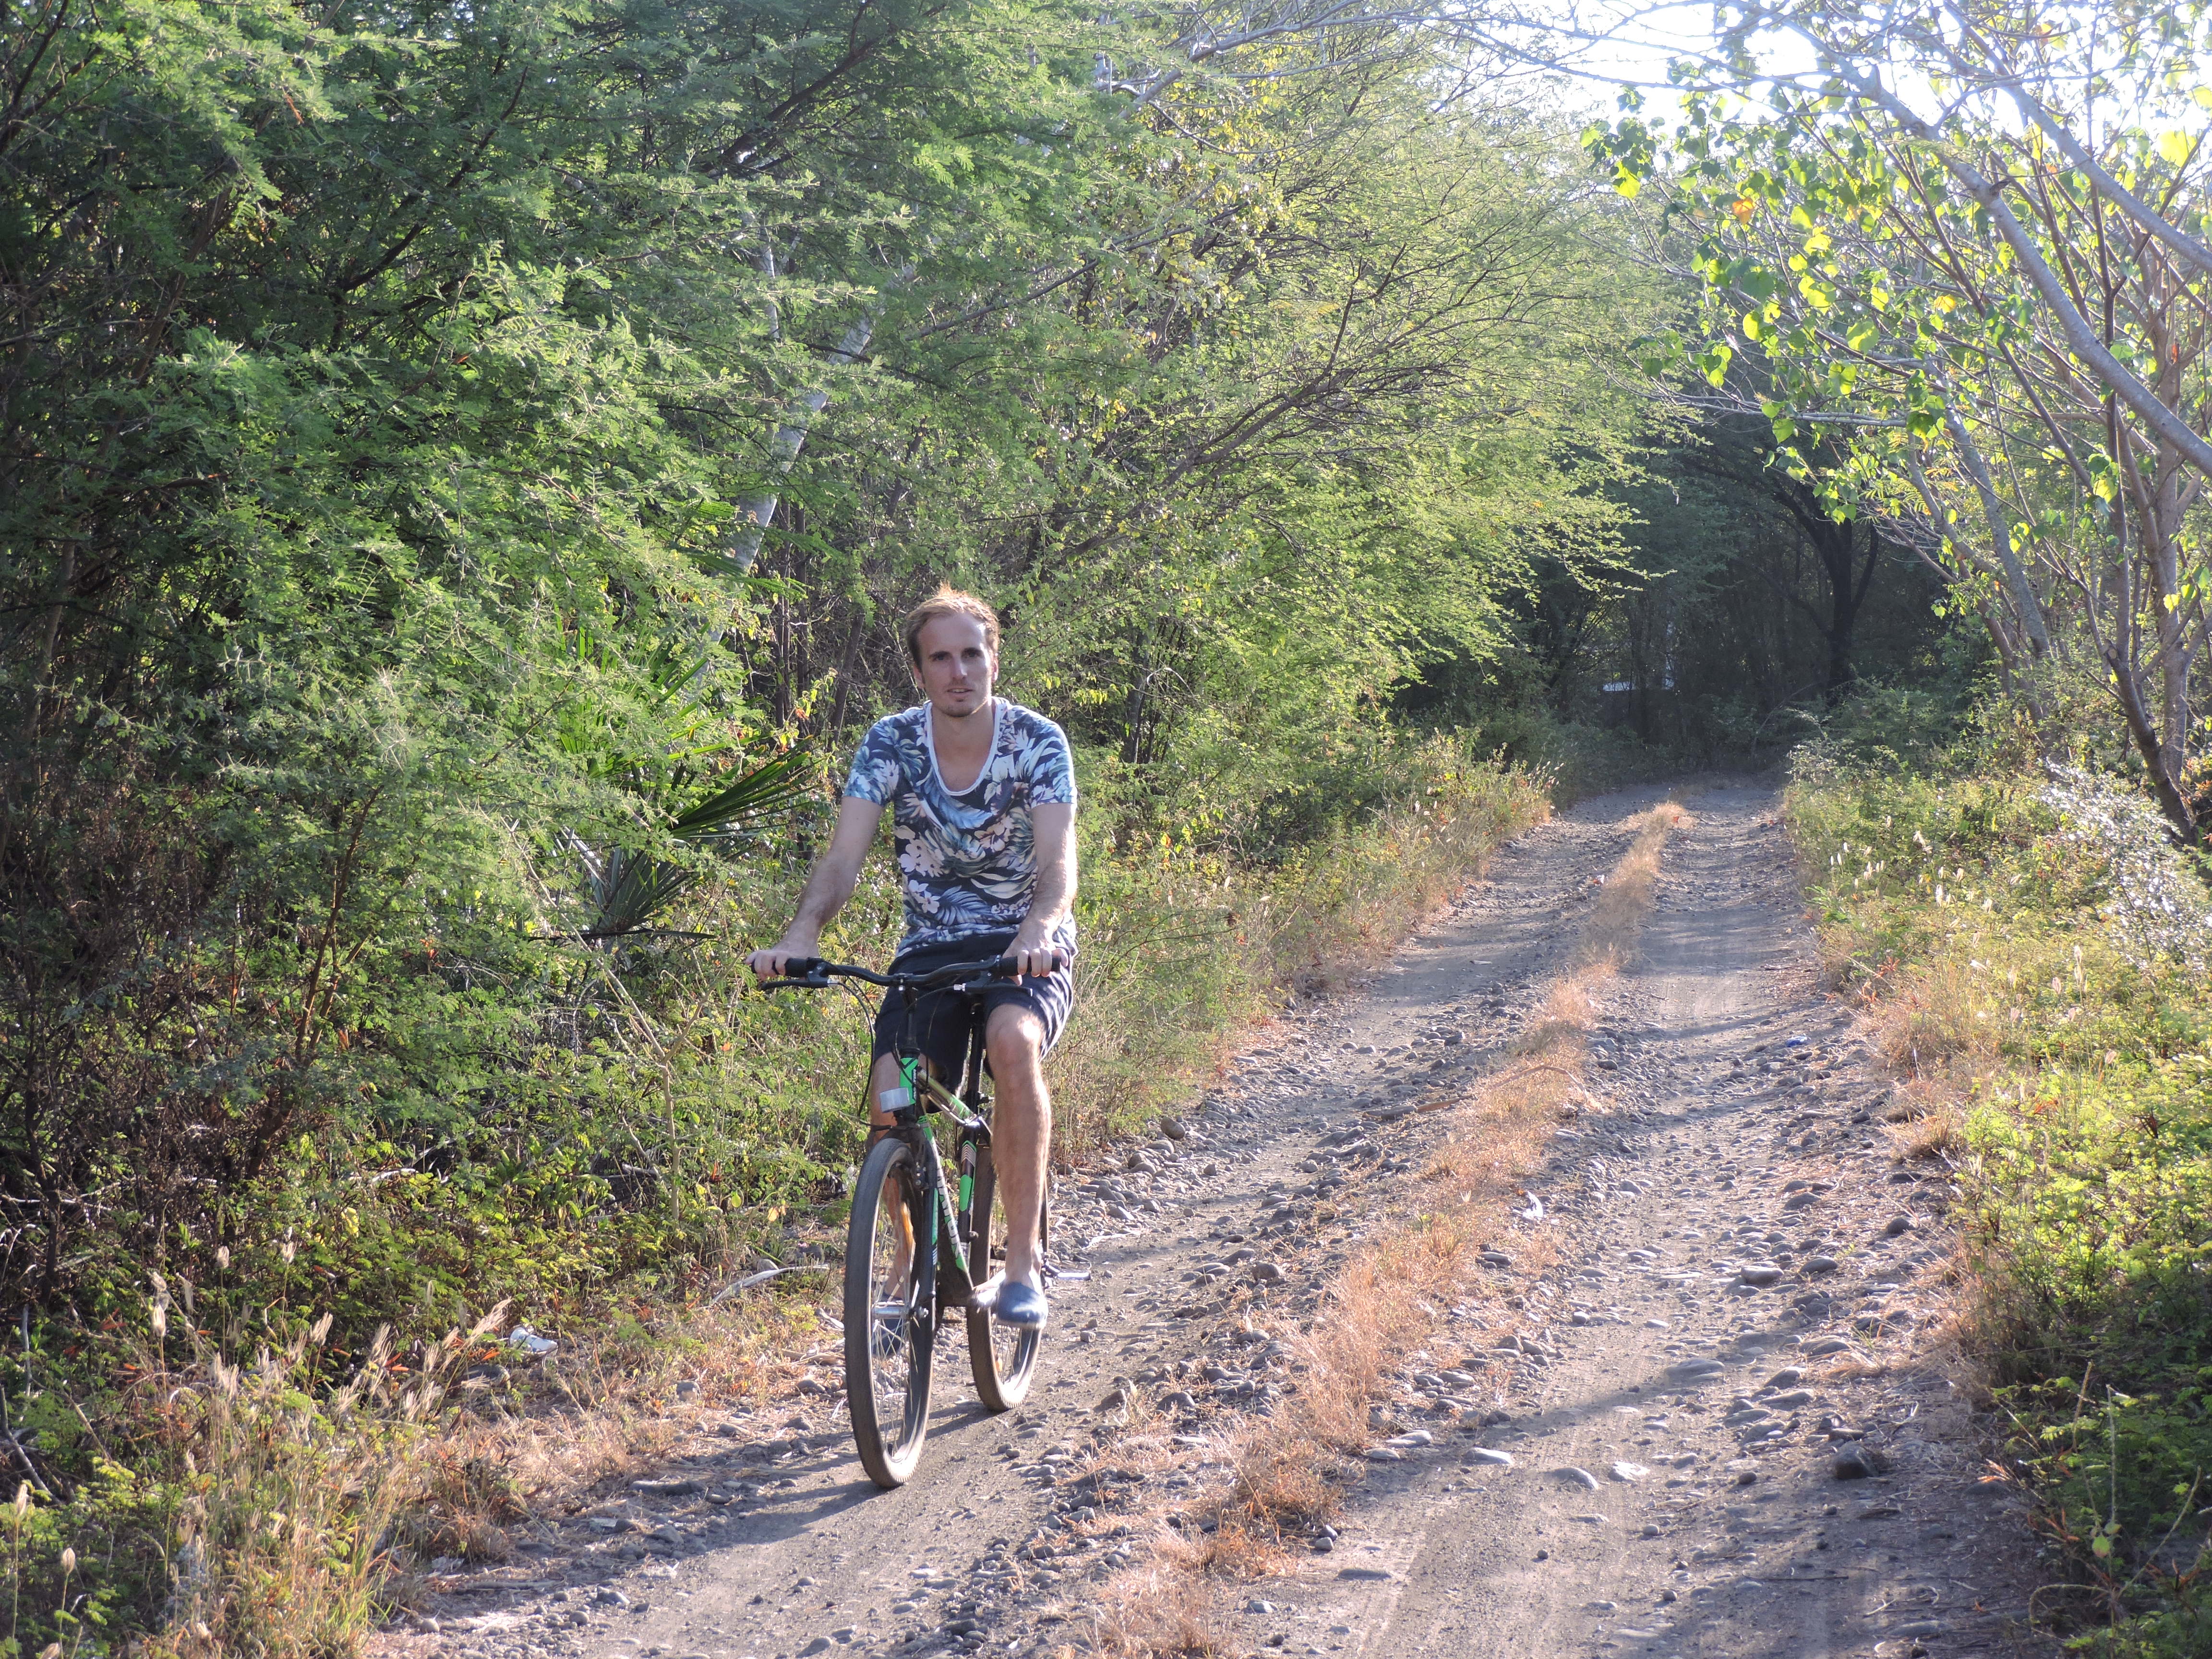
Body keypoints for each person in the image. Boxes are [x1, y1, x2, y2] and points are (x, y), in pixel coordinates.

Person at [748, 587, 1076, 1330]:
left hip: (1025, 945)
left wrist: (1039, 929)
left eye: (972, 653)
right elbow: (841, 861)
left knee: (1013, 1041)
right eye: (941, 658)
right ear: (920, 671)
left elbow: (1059, 864)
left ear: (994, 657)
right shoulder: (890, 744)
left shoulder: (1036, 741)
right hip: (929, 948)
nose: (959, 670)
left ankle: (1021, 1266)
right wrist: (802, 936)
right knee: (892, 1093)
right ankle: (905, 1265)